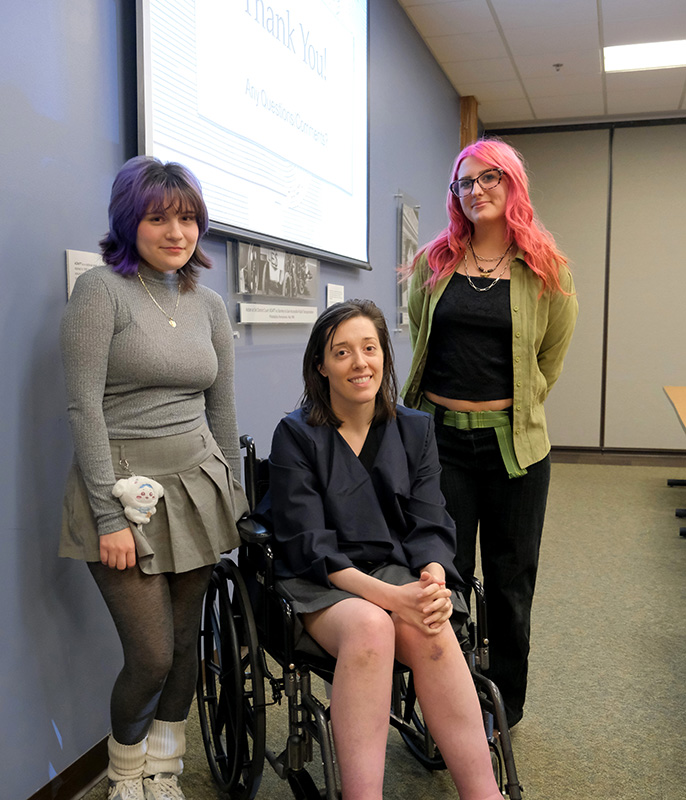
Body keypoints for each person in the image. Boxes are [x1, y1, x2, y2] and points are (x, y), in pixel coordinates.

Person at [59, 156, 248, 800]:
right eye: (159, 217)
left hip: (197, 487)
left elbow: (221, 409)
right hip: (123, 492)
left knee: (186, 647)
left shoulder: (209, 303)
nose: (177, 232)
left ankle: (164, 772)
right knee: (151, 655)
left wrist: (234, 500)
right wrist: (109, 519)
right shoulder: (100, 292)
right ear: (128, 220)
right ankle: (124, 773)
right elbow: (84, 407)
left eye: (188, 218)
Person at [266, 299, 504, 800]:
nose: (360, 363)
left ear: (385, 357)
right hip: (325, 584)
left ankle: (484, 794)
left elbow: (430, 519)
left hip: (399, 572)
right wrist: (394, 599)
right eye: (343, 352)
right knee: (373, 625)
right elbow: (311, 546)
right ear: (321, 365)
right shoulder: (296, 435)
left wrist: (433, 582)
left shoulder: (414, 429)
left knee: (431, 623)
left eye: (369, 349)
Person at [402, 137, 578, 728]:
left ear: (512, 183)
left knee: (509, 582)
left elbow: (549, 358)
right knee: (442, 579)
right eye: (464, 182)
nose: (475, 190)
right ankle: (445, 704)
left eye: (488, 178)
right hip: (441, 441)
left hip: (515, 447)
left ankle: (503, 712)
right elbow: (419, 336)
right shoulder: (435, 263)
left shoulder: (546, 268)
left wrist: (514, 406)